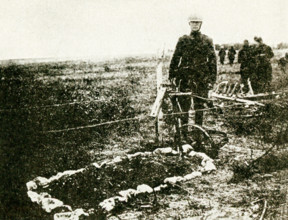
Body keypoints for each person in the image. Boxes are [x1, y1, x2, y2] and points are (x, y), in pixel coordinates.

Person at [169, 14, 217, 142]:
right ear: (189, 24)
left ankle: (198, 135)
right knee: (184, 106)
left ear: (201, 24)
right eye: (193, 22)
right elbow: (175, 58)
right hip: (185, 77)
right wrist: (172, 75)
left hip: (201, 78)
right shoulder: (183, 40)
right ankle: (183, 134)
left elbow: (212, 61)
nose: (195, 24)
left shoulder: (207, 40)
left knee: (199, 107)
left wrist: (211, 80)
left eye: (197, 22)